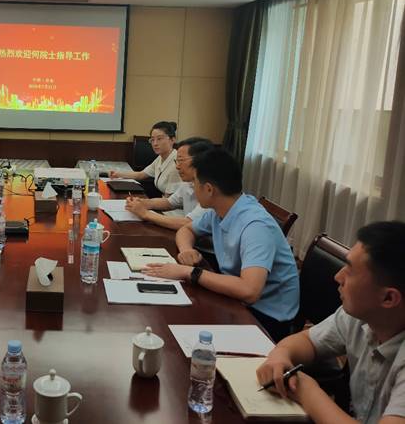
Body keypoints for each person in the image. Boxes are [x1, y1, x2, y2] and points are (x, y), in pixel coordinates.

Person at [143, 148, 299, 341]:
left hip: (264, 317)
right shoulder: (220, 209)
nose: (192, 188)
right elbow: (187, 230)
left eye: (195, 183)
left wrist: (190, 272)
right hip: (235, 298)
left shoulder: (256, 226)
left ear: (209, 189)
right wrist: (186, 250)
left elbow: (249, 291)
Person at [257, 221, 405, 424]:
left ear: (388, 298)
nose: (338, 277)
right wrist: (280, 355)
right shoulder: (360, 317)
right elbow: (307, 341)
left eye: (350, 271)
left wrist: (306, 391)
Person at [125, 137, 212, 230]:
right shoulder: (188, 182)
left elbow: (189, 223)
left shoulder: (211, 187)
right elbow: (169, 202)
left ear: (200, 161)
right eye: (176, 161)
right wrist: (143, 202)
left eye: (181, 160)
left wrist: (145, 213)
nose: (177, 166)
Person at [109, 121, 181, 195]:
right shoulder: (160, 158)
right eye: (152, 140)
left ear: (172, 140)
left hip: (170, 202)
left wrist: (143, 201)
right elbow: (141, 175)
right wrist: (117, 174)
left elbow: (170, 200)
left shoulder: (177, 163)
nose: (155, 144)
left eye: (159, 139)